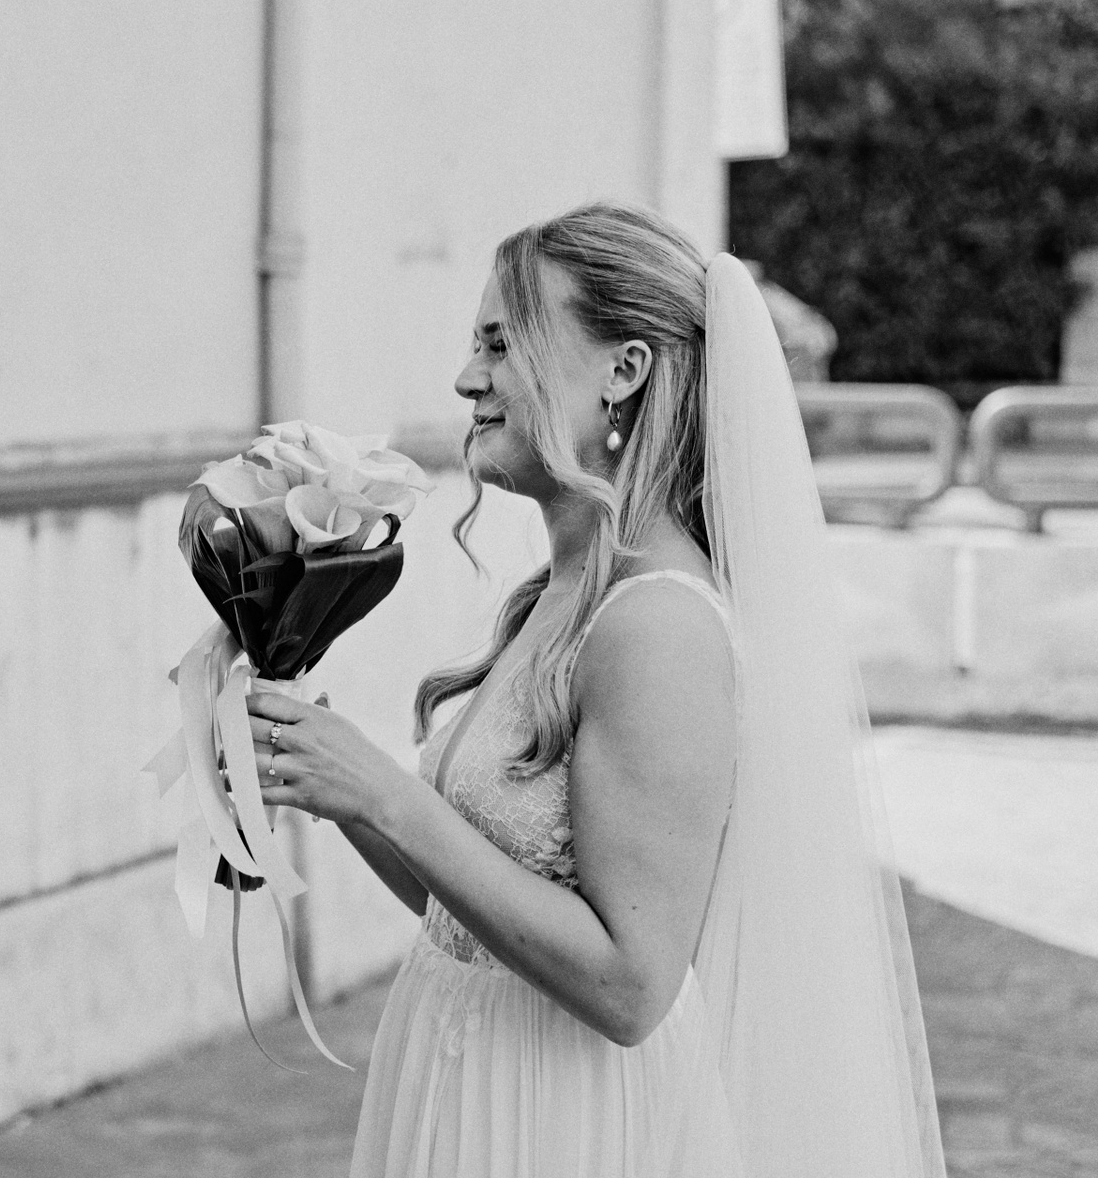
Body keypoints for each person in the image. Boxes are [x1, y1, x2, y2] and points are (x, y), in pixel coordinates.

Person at [246, 202, 947, 1176]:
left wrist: (386, 794)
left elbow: (631, 984)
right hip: (461, 1074)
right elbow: (467, 908)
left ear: (625, 370)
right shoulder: (561, 594)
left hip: (565, 1113)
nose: (467, 378)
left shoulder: (656, 623)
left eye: (502, 342)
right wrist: (325, 770)